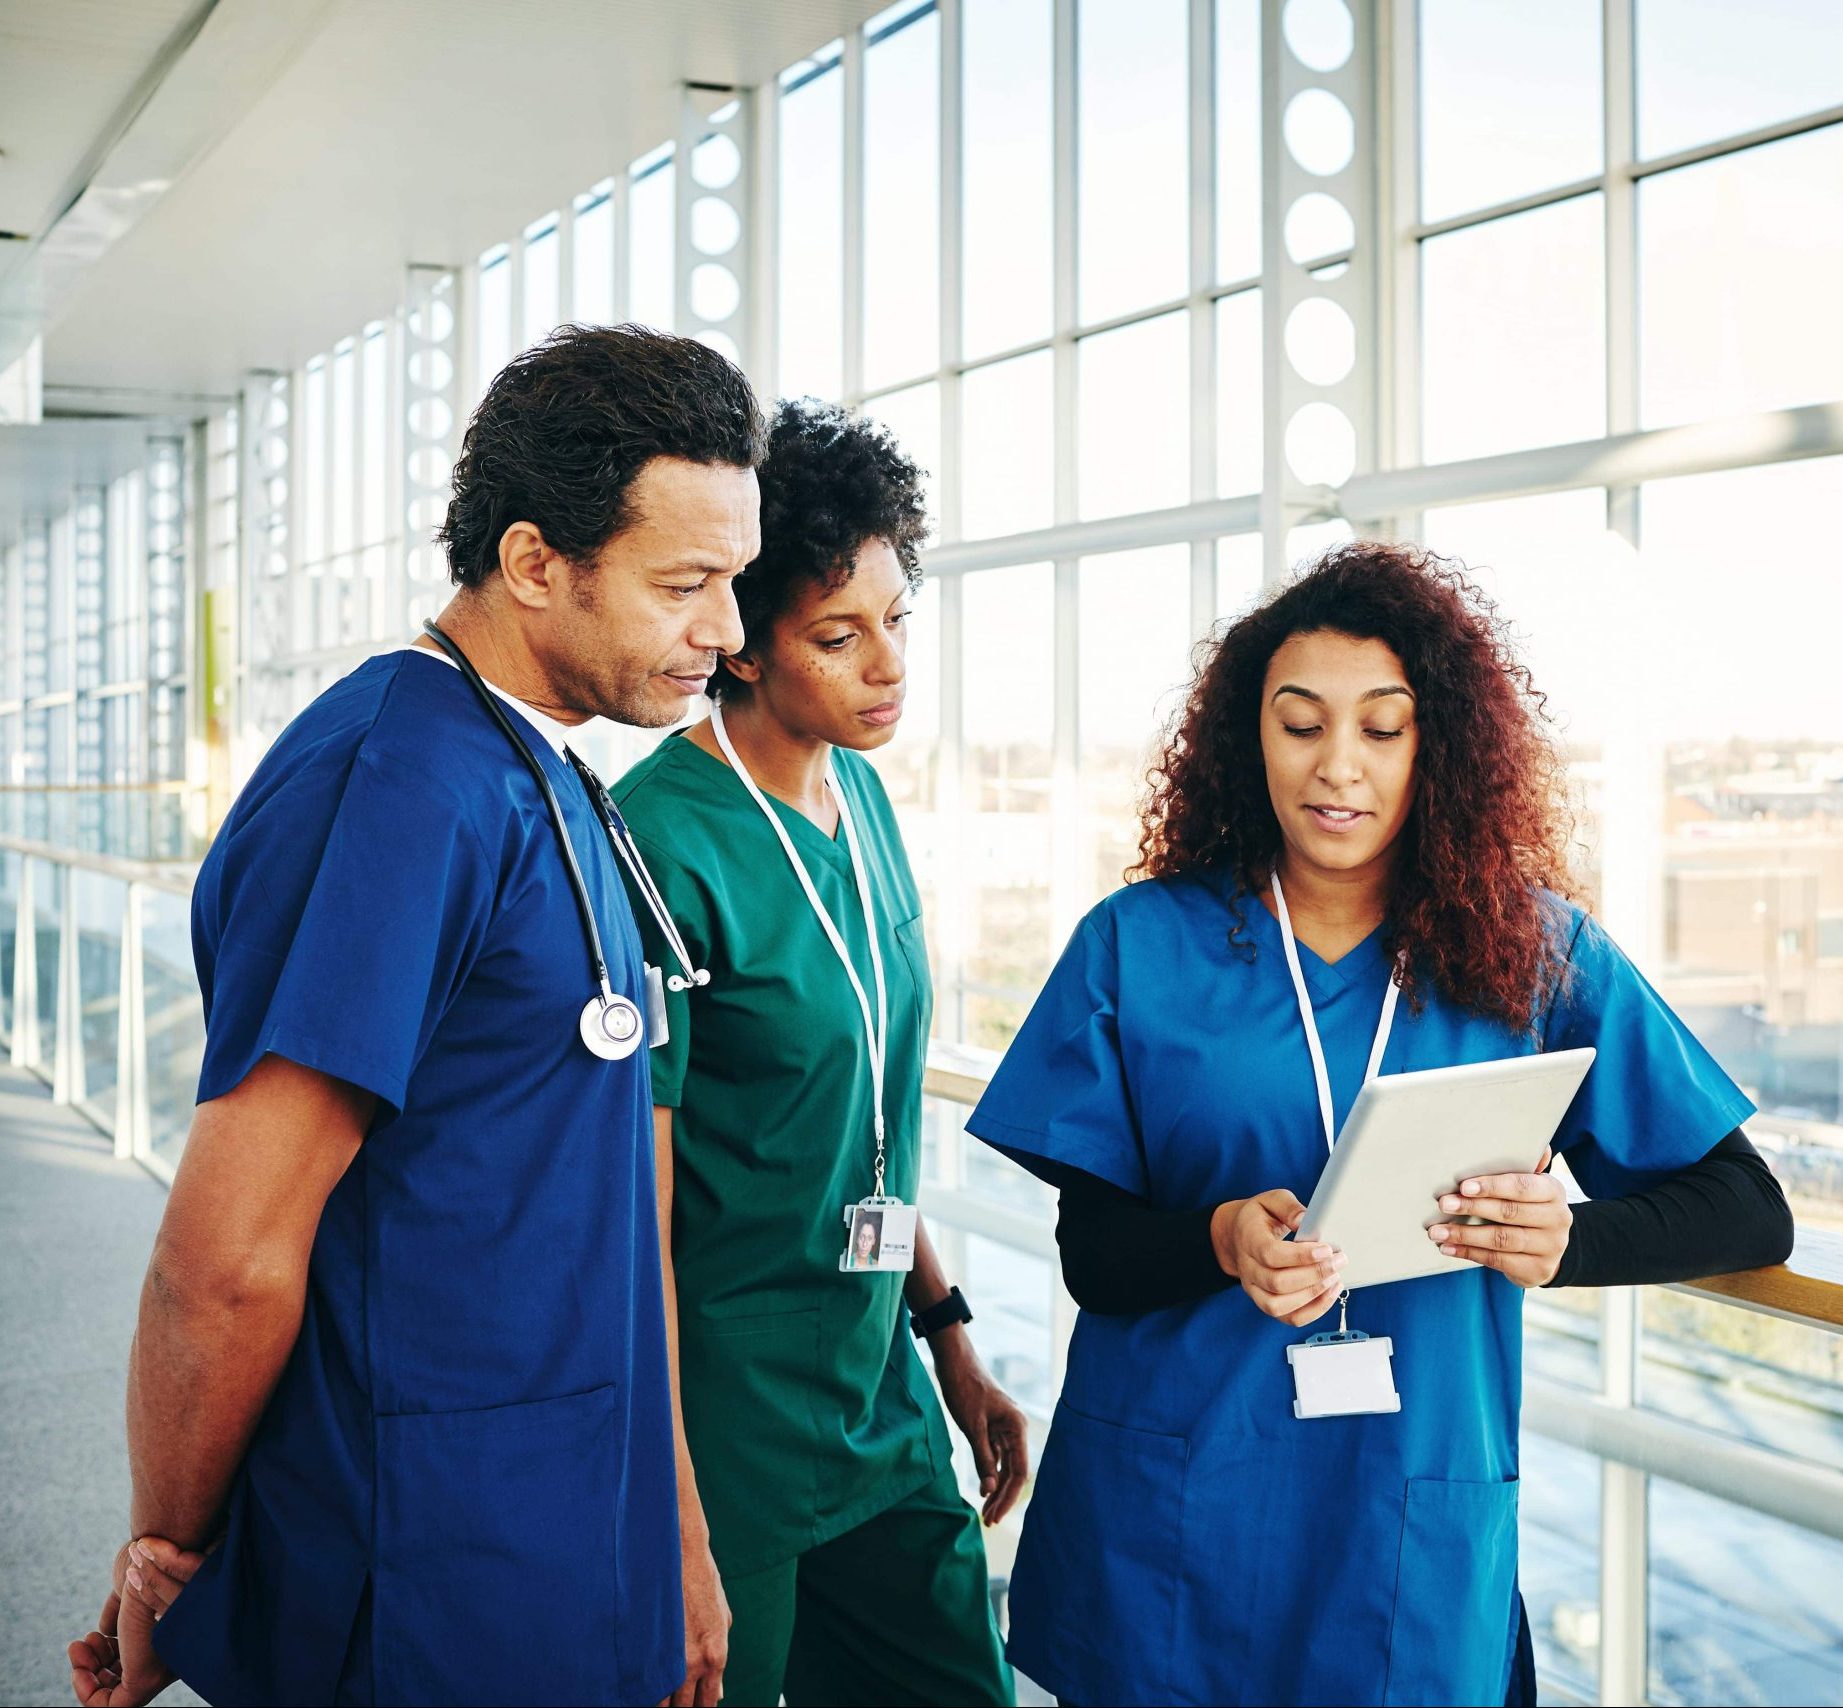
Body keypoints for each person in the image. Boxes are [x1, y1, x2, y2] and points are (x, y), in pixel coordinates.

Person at [66, 325, 765, 1708]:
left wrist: (666, 1529)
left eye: (733, 580)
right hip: (427, 1570)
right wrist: (171, 1551)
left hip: (567, 1533)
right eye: (684, 584)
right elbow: (228, 1259)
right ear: (530, 563)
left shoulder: (543, 766)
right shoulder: (396, 786)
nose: (727, 631)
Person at [964, 544, 1794, 1708]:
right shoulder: (1135, 944)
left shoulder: (1537, 955)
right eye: (1299, 725)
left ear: (1436, 746)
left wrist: (1568, 1242)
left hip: (1404, 1518)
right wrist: (1217, 1240)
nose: (1335, 768)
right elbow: (1091, 1257)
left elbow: (1748, 1206)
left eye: (1381, 728)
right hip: (1175, 1519)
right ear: (1248, 740)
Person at [610, 399, 1023, 1708]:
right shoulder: (656, 846)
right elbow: (636, 1222)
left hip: (878, 1393)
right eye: (836, 637)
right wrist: (670, 1523)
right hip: (723, 1426)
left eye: (897, 621)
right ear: (737, 644)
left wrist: (950, 1339)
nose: (885, 666)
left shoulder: (863, 794)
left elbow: (873, 1131)